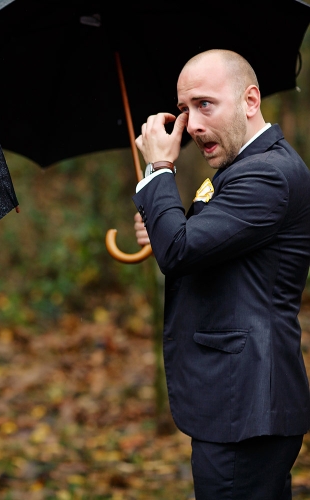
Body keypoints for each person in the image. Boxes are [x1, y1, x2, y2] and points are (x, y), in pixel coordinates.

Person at [132, 49, 310, 499]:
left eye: (205, 104)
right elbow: (198, 245)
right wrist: (162, 225)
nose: (191, 124)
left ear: (250, 100)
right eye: (185, 109)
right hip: (239, 403)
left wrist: (159, 170)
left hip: (246, 404)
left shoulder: (268, 174)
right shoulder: (243, 168)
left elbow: (180, 251)